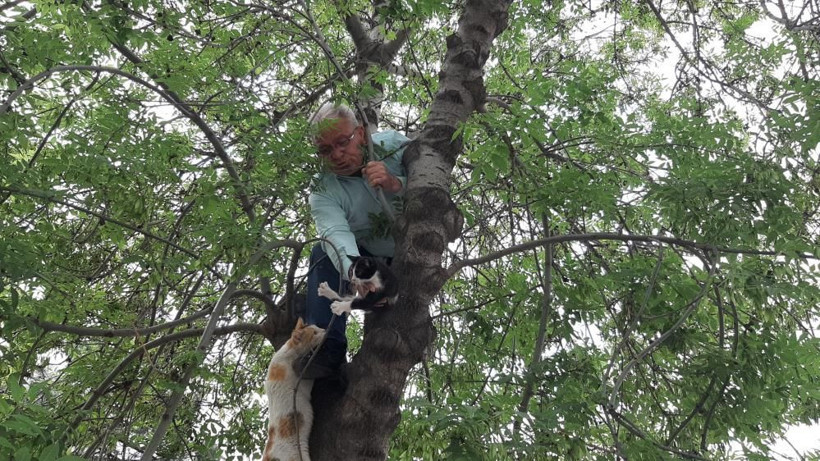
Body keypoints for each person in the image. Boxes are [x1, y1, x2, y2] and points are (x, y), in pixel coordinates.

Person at [301, 102, 409, 378]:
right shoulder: (323, 189)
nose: (337, 155)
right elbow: (335, 234)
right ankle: (327, 347)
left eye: (343, 142)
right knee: (322, 253)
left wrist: (396, 184)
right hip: (370, 257)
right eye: (325, 150)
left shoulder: (394, 144)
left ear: (360, 134)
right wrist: (357, 274)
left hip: (412, 252)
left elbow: (436, 186)